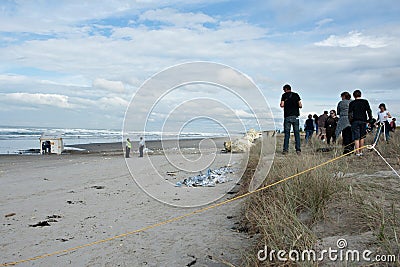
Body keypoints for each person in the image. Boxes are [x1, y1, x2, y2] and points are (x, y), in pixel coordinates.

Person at [348, 89, 372, 156]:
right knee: (362, 136)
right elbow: (369, 111)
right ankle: (361, 151)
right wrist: (370, 120)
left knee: (356, 137)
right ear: (360, 95)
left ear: (353, 96)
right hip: (363, 120)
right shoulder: (365, 102)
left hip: (355, 121)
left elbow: (350, 113)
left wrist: (350, 121)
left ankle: (357, 152)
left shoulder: (352, 103)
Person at [280, 84, 302, 154]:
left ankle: (285, 150)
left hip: (287, 117)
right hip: (296, 117)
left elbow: (282, 105)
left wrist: (285, 103)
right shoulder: (296, 95)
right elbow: (300, 105)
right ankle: (298, 150)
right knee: (297, 134)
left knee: (287, 134)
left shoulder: (284, 95)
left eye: (284, 90)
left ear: (285, 89)